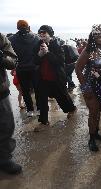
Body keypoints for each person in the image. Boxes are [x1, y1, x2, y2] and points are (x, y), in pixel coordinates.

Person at [75, 24, 101, 151]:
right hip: (90, 84)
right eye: (97, 34)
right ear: (92, 36)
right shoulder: (88, 50)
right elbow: (78, 69)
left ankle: (96, 132)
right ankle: (91, 138)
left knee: (99, 110)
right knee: (93, 111)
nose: (100, 36)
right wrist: (85, 87)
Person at [34, 25, 77, 128]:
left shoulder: (57, 45)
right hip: (43, 78)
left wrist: (48, 52)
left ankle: (71, 109)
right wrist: (39, 54)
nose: (42, 36)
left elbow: (59, 62)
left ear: (50, 34)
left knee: (62, 96)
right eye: (40, 34)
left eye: (44, 34)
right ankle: (43, 121)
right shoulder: (37, 45)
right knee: (42, 100)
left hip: (56, 77)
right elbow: (35, 61)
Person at [0, 33, 22, 174]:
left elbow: (13, 62)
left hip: (0, 92)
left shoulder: (0, 38)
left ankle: (4, 159)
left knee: (6, 125)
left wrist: (2, 57)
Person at [9, 20, 40, 117]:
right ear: (29, 27)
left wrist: (13, 67)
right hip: (35, 68)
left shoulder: (12, 39)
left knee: (25, 90)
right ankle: (39, 109)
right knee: (37, 89)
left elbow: (10, 55)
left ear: (17, 28)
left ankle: (30, 110)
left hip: (21, 69)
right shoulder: (36, 37)